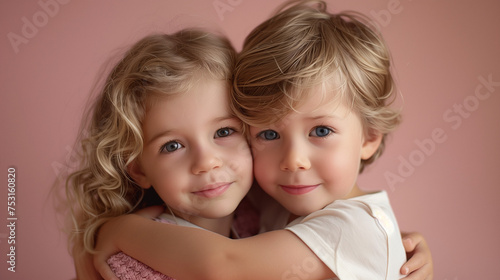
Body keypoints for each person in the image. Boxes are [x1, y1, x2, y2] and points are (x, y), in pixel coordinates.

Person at [92, 0, 433, 279]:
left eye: (321, 131)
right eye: (269, 134)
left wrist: (116, 234)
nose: (293, 159)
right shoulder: (275, 205)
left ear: (370, 137)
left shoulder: (355, 229)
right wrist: (84, 250)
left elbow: (222, 265)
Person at [65, 29, 258, 279]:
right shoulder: (133, 266)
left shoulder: (254, 217)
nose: (206, 162)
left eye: (223, 131)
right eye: (172, 146)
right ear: (139, 168)